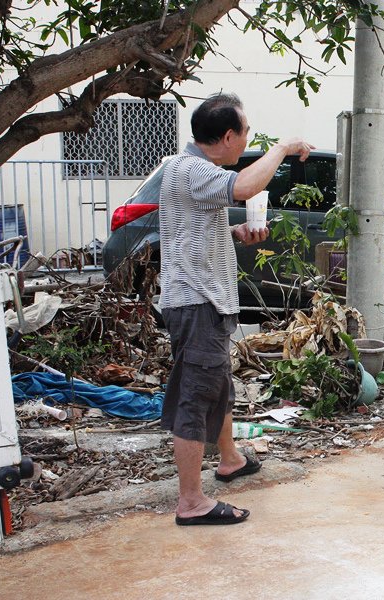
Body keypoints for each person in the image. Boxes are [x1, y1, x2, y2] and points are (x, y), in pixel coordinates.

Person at [159, 93, 314, 525]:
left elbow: (192, 230)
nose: (247, 141)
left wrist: (234, 230)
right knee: (196, 394)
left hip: (202, 296)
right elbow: (246, 186)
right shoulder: (195, 170)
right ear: (228, 136)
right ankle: (191, 501)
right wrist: (281, 148)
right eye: (245, 134)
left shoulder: (181, 168)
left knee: (217, 384)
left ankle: (229, 459)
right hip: (197, 300)